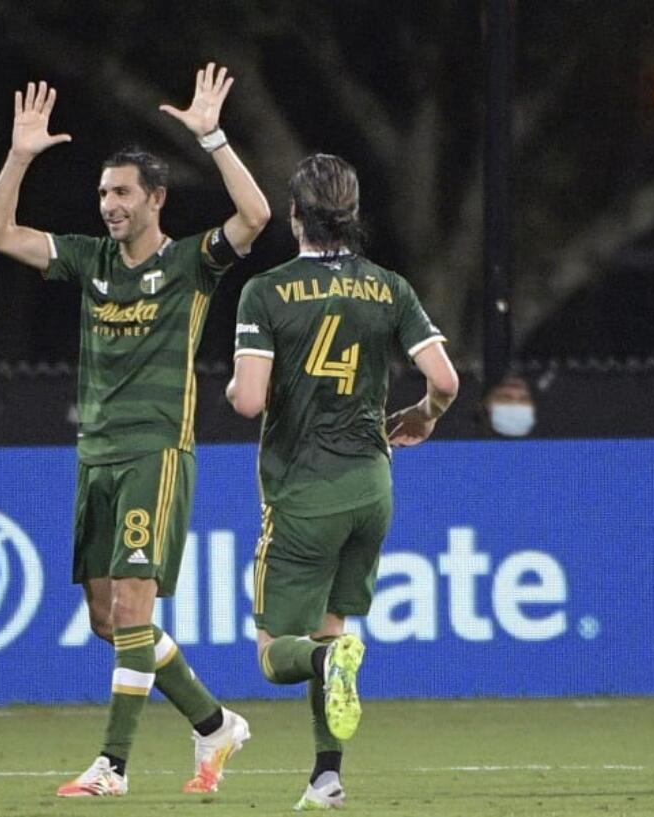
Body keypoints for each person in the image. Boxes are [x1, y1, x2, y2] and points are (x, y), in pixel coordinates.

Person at [0, 63, 270, 797]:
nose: (108, 205)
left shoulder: (192, 264)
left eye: (121, 193)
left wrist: (215, 138)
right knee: (110, 620)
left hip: (155, 452)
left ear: (155, 199)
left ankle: (113, 764)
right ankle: (214, 723)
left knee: (136, 610)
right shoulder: (89, 259)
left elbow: (257, 217)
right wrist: (19, 155)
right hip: (96, 454)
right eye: (103, 193)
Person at [227, 154, 458, 810]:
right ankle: (327, 777)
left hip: (304, 489)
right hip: (371, 486)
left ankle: (330, 667)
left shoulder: (265, 291)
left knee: (276, 654)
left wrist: (232, 381)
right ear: (352, 216)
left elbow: (248, 401)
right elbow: (444, 380)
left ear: (295, 214)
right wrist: (425, 415)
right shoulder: (389, 287)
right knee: (331, 625)